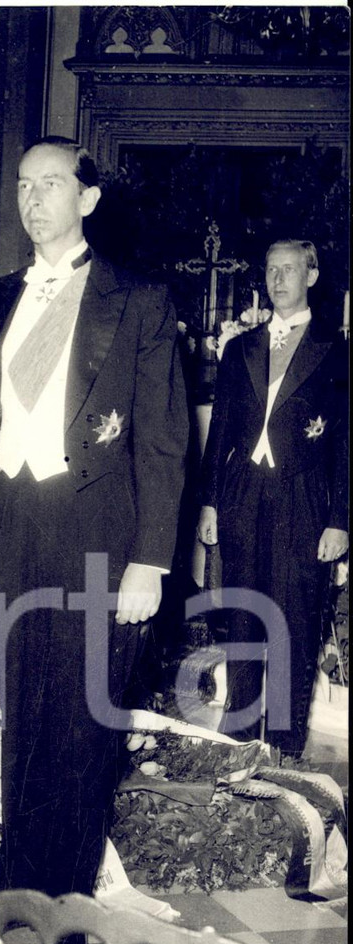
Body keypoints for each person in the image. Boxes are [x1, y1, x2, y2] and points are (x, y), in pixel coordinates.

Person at [0, 137, 188, 944]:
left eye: (51, 183)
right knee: (20, 711)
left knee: (84, 721)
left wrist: (150, 562)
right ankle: (17, 887)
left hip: (99, 531)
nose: (34, 198)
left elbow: (163, 443)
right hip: (12, 516)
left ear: (87, 198)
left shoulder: (140, 302)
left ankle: (65, 907)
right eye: (23, 184)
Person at [198, 239, 348, 755]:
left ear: (311, 275)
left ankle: (283, 749)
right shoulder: (240, 348)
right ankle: (240, 744)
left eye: (290, 269)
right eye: (271, 269)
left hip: (303, 499)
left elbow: (348, 442)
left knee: (292, 621)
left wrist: (340, 518)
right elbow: (219, 431)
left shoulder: (336, 349)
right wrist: (211, 501)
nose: (279, 279)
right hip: (242, 496)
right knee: (243, 616)